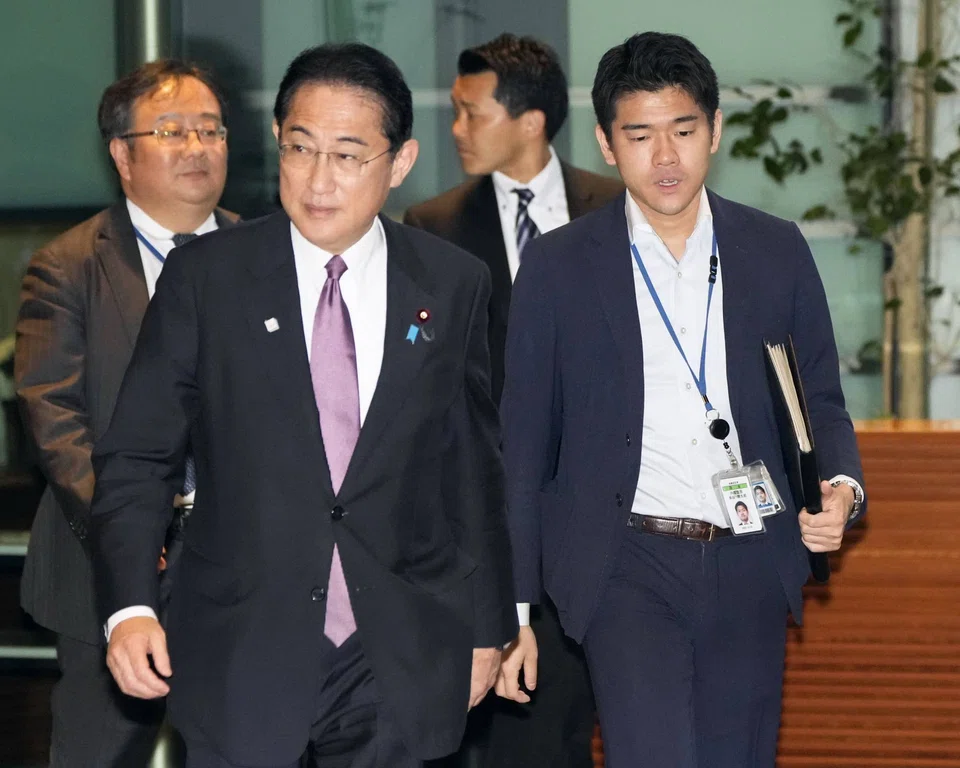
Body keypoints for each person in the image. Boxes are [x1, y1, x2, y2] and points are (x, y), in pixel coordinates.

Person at [90, 43, 517, 768]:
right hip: (243, 641)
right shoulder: (208, 277)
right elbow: (137, 455)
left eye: (347, 155)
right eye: (300, 148)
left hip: (396, 647)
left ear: (400, 162)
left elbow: (472, 466)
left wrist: (488, 627)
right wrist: (129, 608)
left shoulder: (451, 283)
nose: (319, 180)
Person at [498, 32, 866, 768]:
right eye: (640, 136)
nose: (665, 158)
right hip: (625, 561)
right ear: (607, 143)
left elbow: (820, 397)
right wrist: (514, 609)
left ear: (716, 130)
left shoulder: (774, 249)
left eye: (684, 131)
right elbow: (524, 439)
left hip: (751, 554)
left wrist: (843, 489)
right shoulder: (559, 266)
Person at [404, 33, 620, 768]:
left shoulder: (616, 209)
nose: (457, 128)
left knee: (591, 719)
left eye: (472, 112)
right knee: (512, 733)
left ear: (530, 121)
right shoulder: (432, 225)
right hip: (491, 515)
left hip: (603, 513)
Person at [15, 59, 234, 767]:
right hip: (106, 565)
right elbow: (56, 421)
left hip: (240, 564)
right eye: (172, 131)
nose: (198, 147)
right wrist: (132, 529)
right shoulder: (69, 264)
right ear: (121, 153)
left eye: (211, 130)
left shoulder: (264, 253)